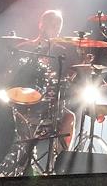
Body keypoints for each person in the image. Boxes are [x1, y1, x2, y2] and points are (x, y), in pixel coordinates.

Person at [13, 9, 76, 150]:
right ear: (41, 25)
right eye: (53, 25)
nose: (57, 29)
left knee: (69, 117)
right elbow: (15, 78)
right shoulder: (26, 48)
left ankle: (61, 159)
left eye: (59, 26)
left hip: (50, 102)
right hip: (26, 100)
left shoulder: (61, 53)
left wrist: (72, 75)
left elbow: (67, 76)